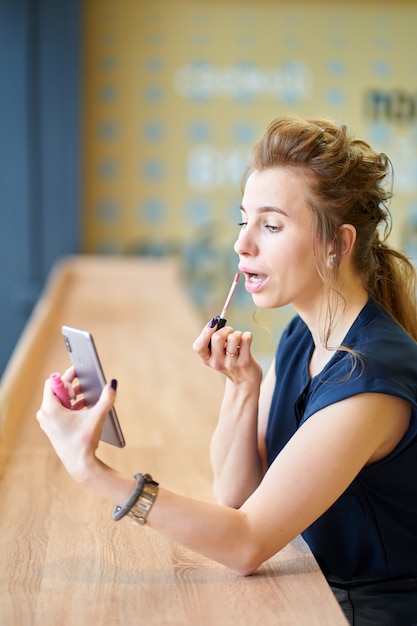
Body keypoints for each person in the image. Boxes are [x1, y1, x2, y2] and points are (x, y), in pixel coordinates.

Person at [37, 115, 417, 625]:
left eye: (272, 225)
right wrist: (243, 389)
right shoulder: (304, 335)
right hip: (317, 591)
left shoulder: (367, 382)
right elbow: (237, 495)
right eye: (245, 220)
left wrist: (93, 474)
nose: (243, 244)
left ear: (338, 244)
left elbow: (246, 544)